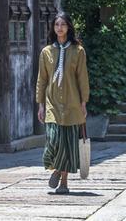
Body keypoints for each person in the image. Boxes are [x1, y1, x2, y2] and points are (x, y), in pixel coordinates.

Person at [36, 12, 89, 195]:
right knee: (53, 140)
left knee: (68, 144)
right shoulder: (46, 52)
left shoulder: (78, 51)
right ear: (53, 28)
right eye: (57, 25)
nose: (60, 28)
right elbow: (42, 79)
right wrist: (40, 104)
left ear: (69, 27)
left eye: (63, 24)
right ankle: (57, 169)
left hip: (72, 104)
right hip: (52, 103)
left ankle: (63, 182)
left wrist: (84, 102)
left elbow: (82, 78)